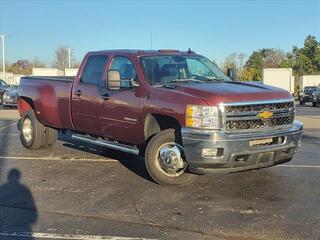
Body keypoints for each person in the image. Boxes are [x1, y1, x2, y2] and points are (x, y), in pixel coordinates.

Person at [0, 169, 37, 238]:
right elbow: (31, 205)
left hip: (5, 223)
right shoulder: (24, 189)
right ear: (19, 177)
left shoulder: (2, 188)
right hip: (20, 223)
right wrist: (33, 218)